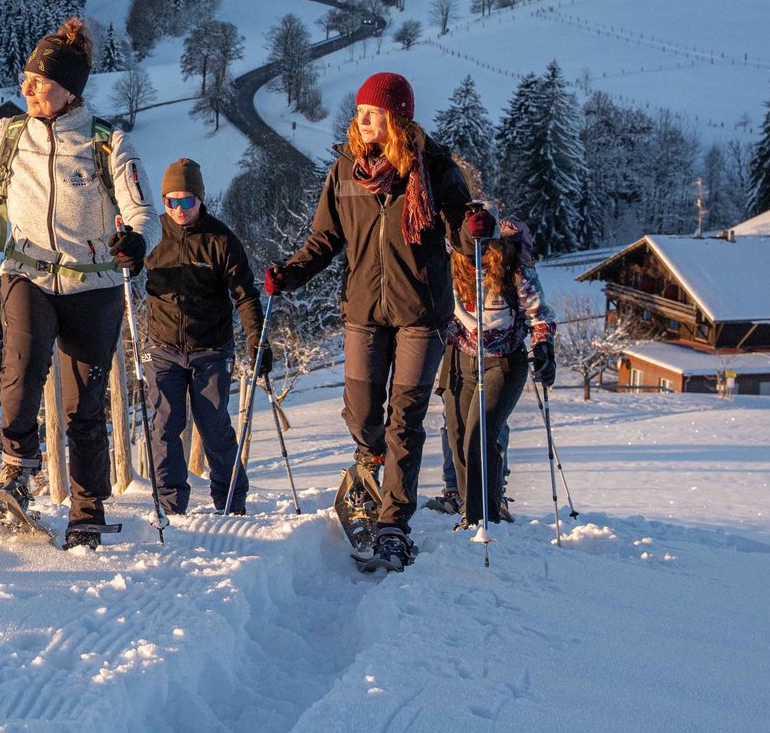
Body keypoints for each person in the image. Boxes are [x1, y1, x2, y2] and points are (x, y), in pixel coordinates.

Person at [0, 16, 155, 550]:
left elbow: (142, 211)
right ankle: (17, 471)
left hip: (94, 286)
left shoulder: (107, 144)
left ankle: (87, 508)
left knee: (85, 405)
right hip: (26, 273)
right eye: (25, 76)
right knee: (20, 372)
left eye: (40, 79)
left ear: (69, 89)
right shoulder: (9, 137)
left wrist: (136, 242)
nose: (27, 86)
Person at [263, 71, 479, 571]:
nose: (362, 121)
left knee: (405, 420)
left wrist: (474, 226)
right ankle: (368, 467)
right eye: (360, 113)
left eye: (373, 114)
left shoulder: (435, 168)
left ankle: (392, 526)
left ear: (396, 119)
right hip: (363, 310)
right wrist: (289, 273)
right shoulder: (344, 170)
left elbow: (462, 234)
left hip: (421, 313)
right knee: (362, 415)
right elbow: (324, 239)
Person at [140, 158, 269, 517]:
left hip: (210, 348)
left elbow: (244, 294)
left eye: (187, 201)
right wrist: (124, 250)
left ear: (200, 199)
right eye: (171, 202)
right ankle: (169, 504)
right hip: (162, 347)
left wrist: (256, 337)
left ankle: (230, 500)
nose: (179, 210)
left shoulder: (220, 239)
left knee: (213, 426)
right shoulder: (153, 235)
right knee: (165, 425)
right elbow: (126, 260)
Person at [441, 215, 556, 528]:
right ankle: (471, 509)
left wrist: (544, 347)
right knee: (459, 435)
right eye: (467, 248)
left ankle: (484, 517)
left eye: (481, 247)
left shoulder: (511, 266)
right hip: (461, 358)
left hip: (504, 360)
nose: (474, 254)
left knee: (481, 434)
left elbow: (539, 315)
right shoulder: (450, 263)